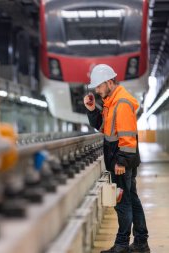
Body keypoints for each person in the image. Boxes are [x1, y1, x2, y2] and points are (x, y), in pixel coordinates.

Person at [83, 64, 150, 253]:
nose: (96, 90)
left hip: (121, 161)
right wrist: (91, 109)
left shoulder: (121, 103)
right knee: (132, 199)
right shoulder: (112, 102)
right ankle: (141, 243)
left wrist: (121, 161)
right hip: (120, 159)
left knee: (123, 203)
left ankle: (121, 245)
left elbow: (127, 137)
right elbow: (106, 128)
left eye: (99, 86)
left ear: (109, 82)